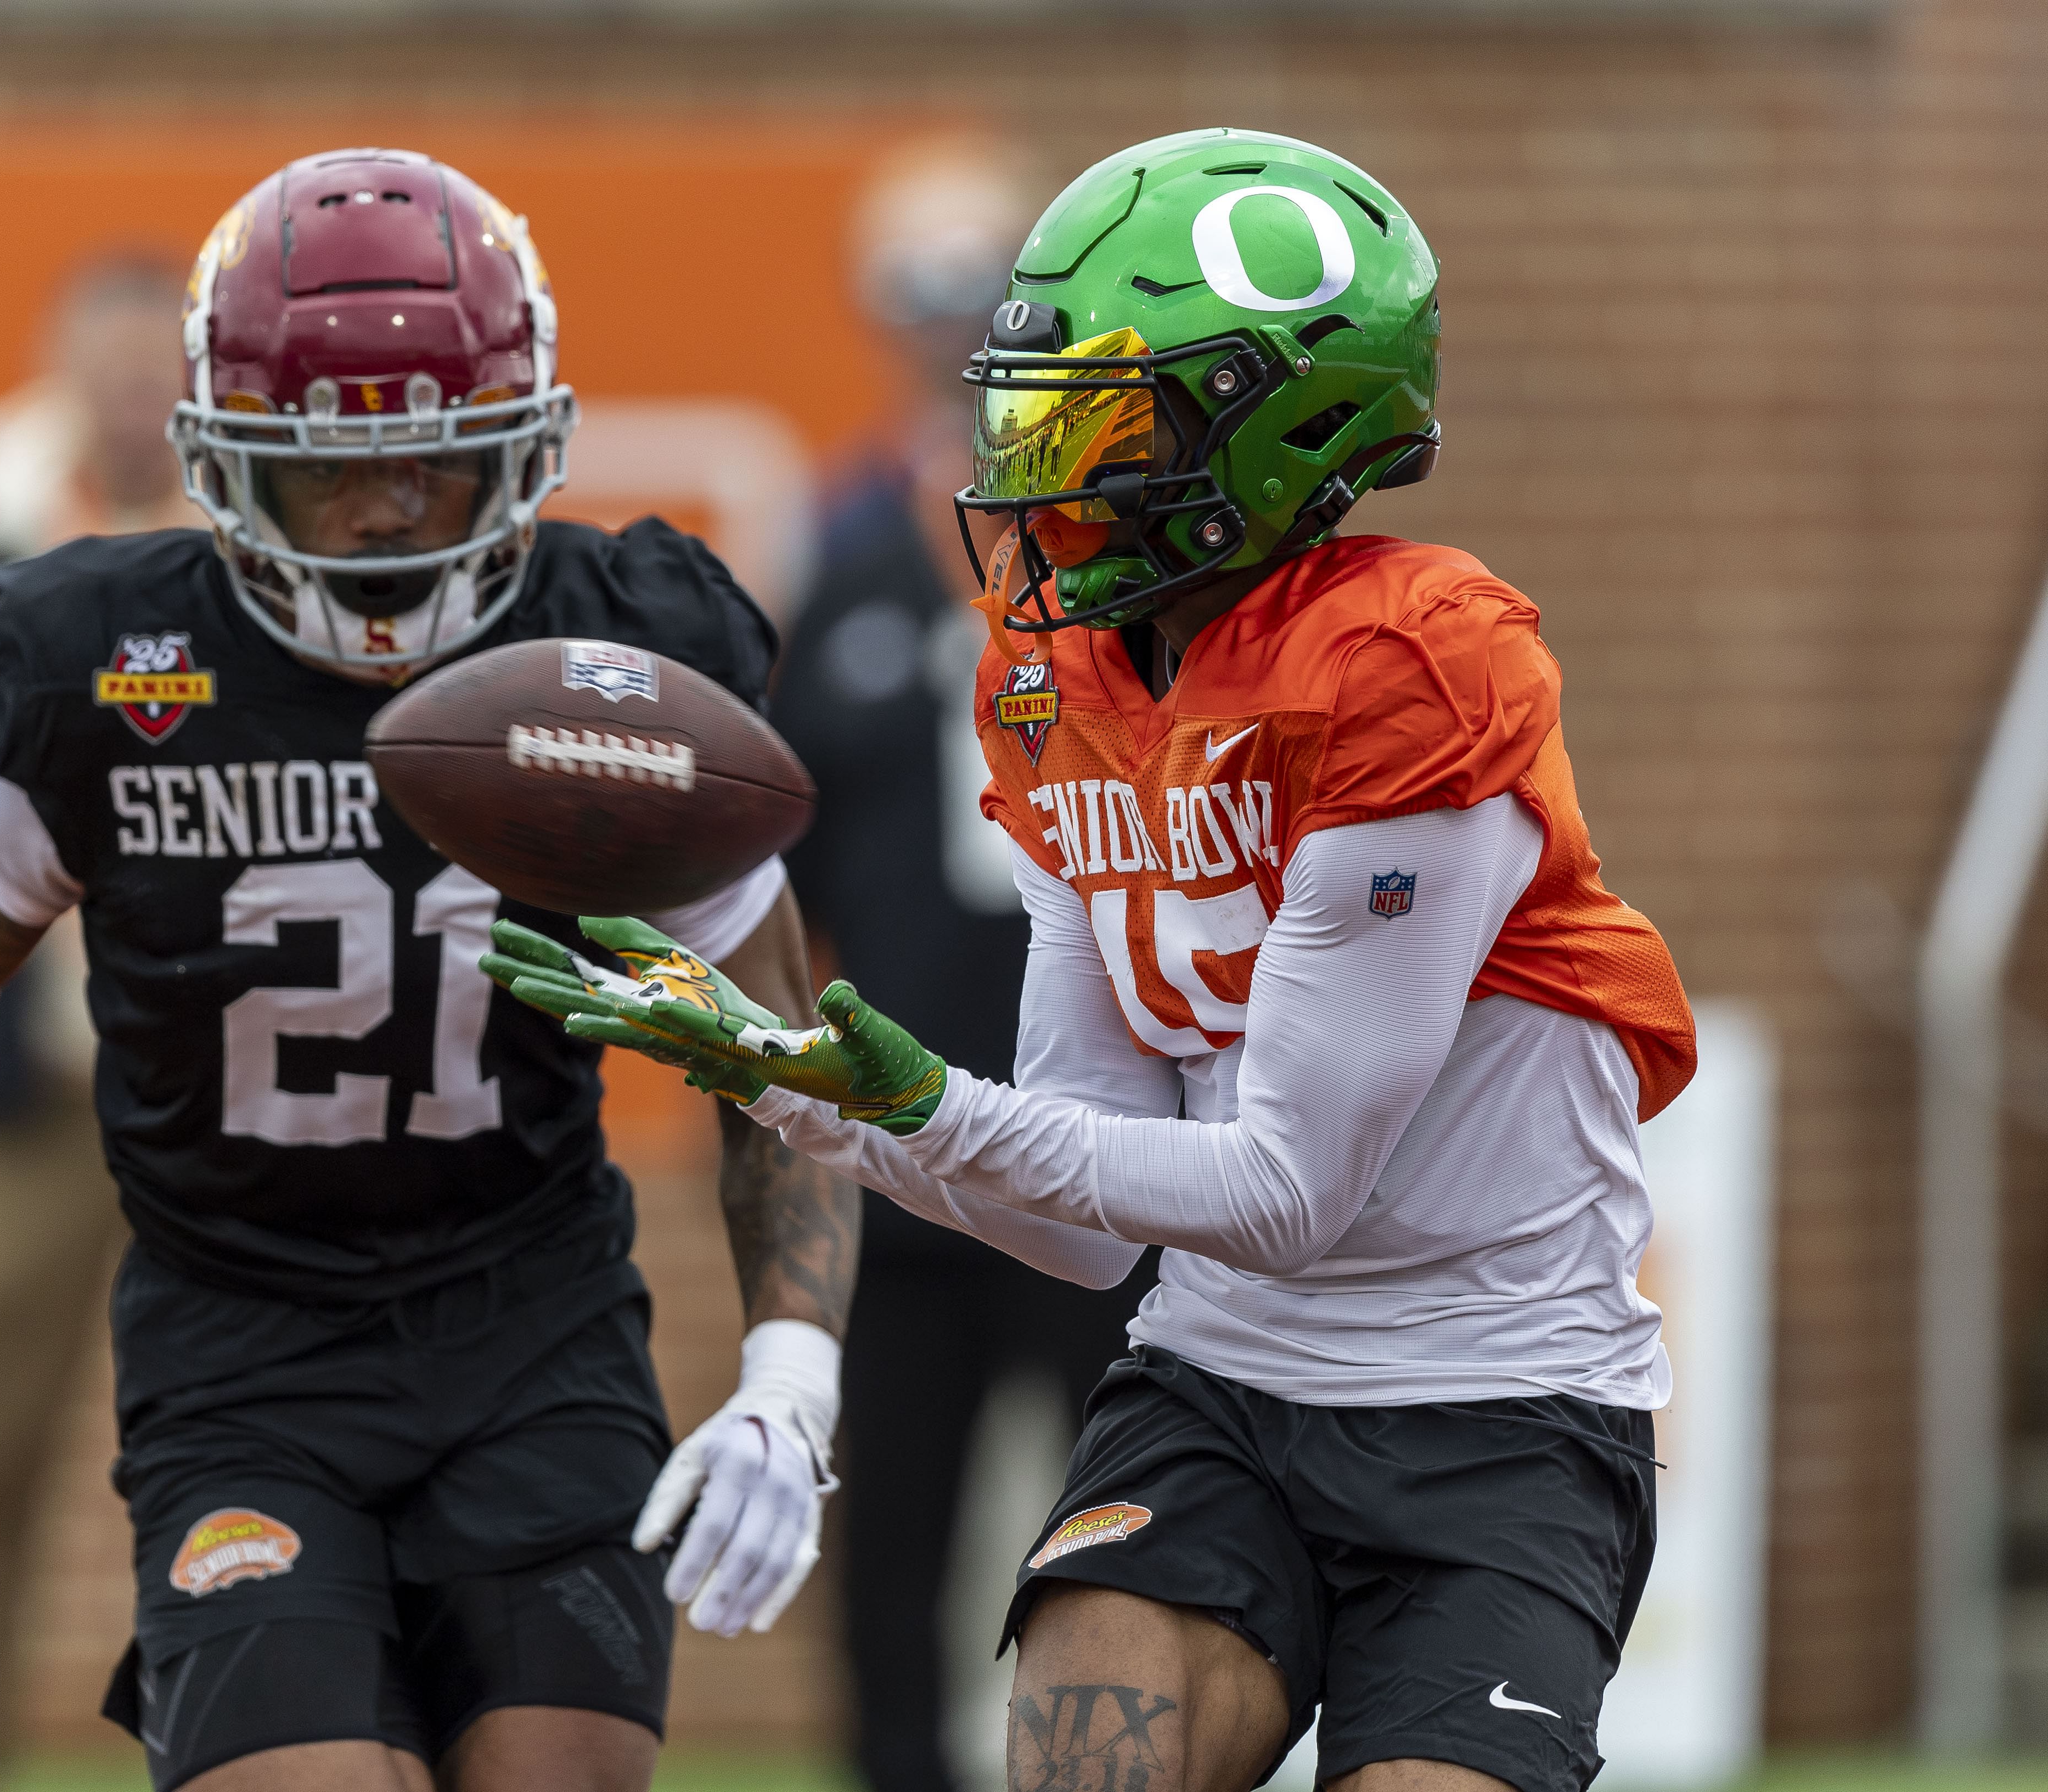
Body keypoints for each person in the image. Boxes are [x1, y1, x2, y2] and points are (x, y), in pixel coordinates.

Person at [487, 128, 1697, 1792]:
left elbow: (1283, 1189)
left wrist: (909, 1097)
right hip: (1220, 1387)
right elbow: (1068, 1224)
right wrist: (813, 1103)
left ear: (1278, 426)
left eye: (1104, 416)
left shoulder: (1411, 662)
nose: (1042, 461)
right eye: (1034, 404)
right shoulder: (1064, 673)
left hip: (1494, 1411)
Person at [0, 148, 856, 1792]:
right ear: (223, 464)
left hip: (532, 1328)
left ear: (522, 451)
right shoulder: (99, 652)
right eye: (326, 472)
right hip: (242, 1346)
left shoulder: (611, 647)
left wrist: (790, 1371)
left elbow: (773, 1035)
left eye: (434, 465)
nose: (378, 515)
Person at [769, 142, 1150, 1792]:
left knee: (1131, 1510)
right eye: (924, 297)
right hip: (909, 1124)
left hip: (1099, 1121)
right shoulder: (845, 541)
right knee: (896, 1530)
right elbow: (786, 841)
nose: (954, 330)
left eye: (982, 291)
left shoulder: (1129, 541)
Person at [0, 252, 205, 1792]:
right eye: (102, 358)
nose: (126, 388)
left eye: (152, 360)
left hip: (226, 1084)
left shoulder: (256, 558)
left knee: (243, 1440)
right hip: (44, 1088)